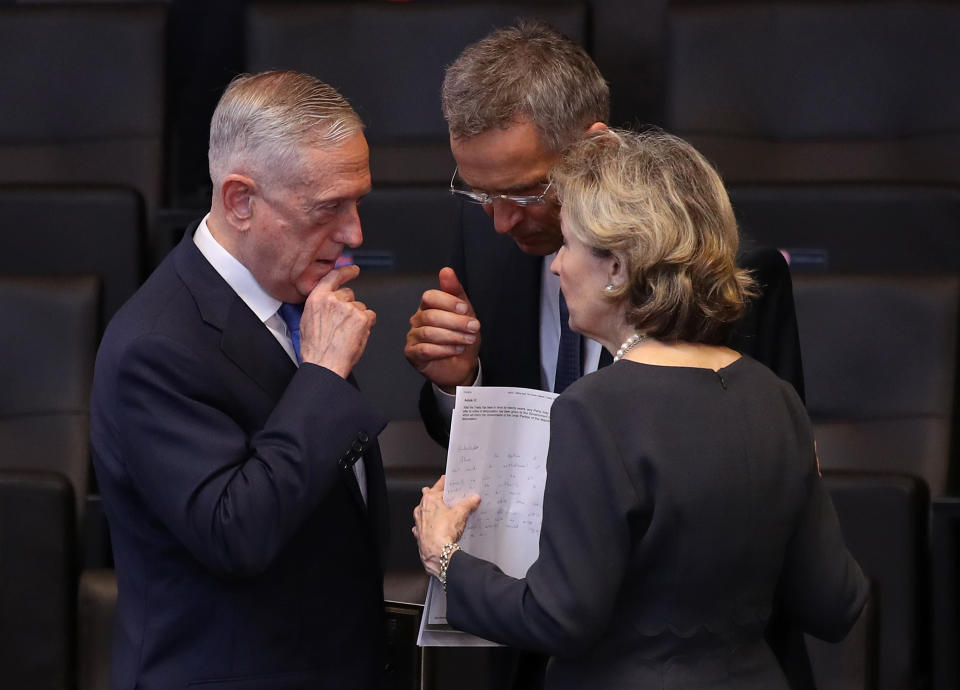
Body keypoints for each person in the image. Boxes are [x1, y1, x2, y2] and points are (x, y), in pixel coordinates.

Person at [404, 19, 811, 689]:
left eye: (525, 192)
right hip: (532, 639)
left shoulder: (731, 276)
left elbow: (774, 511)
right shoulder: (485, 242)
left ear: (594, 146)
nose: (503, 221)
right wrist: (457, 385)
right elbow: (485, 451)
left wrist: (445, 558)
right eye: (480, 195)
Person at [90, 71, 390, 690]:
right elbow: (236, 533)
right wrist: (325, 376)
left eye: (358, 202)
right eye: (328, 208)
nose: (354, 234)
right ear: (240, 201)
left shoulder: (296, 295)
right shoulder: (154, 347)